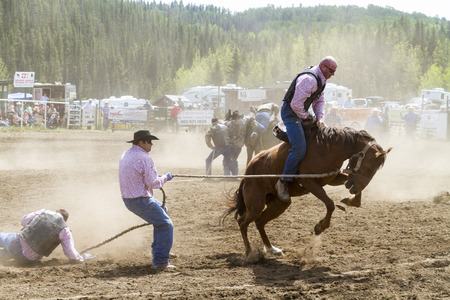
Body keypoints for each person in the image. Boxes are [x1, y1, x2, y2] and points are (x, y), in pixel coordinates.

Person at [276, 56, 338, 202]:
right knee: (299, 148)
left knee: (322, 135)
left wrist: (320, 118)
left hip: (301, 110)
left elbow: (319, 100)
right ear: (323, 67)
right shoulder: (308, 80)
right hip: (291, 113)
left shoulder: (321, 79)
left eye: (334, 71)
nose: (332, 74)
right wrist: (307, 117)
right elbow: (296, 105)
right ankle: (283, 181)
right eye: (331, 71)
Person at [118, 130, 175, 270]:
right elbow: (153, 183)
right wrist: (165, 177)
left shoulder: (127, 154)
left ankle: (160, 249)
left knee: (162, 211)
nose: (152, 144)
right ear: (141, 142)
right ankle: (160, 261)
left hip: (129, 198)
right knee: (165, 224)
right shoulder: (145, 158)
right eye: (149, 141)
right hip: (139, 199)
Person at [0, 209, 87, 265]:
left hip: (16, 243)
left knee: (3, 237)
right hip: (26, 259)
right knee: (7, 254)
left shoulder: (45, 212)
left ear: (56, 213)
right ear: (65, 220)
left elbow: (24, 221)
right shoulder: (65, 230)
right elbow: (70, 252)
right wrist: (79, 258)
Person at [224, 111, 246, 175]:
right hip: (239, 146)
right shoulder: (243, 122)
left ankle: (227, 174)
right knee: (234, 159)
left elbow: (224, 124)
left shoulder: (229, 123)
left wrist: (227, 117)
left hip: (231, 145)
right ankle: (235, 174)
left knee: (227, 159)